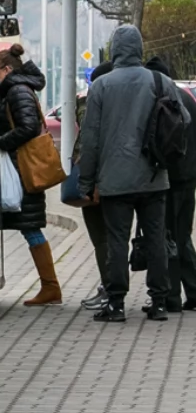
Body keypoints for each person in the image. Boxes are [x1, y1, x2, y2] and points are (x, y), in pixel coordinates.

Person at [79, 25, 191, 322]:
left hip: (115, 179)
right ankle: (160, 302)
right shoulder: (159, 80)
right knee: (155, 238)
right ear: (140, 49)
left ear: (115, 50)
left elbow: (90, 139)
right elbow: (185, 119)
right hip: (154, 176)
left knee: (117, 240)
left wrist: (86, 181)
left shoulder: (101, 86)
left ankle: (115, 303)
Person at [0, 43, 60, 306]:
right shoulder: (17, 88)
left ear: (7, 69)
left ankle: (51, 286)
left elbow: (28, 127)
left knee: (30, 228)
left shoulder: (17, 90)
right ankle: (50, 286)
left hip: (22, 168)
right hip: (20, 168)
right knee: (29, 228)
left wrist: (1, 142)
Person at [144, 56, 196, 311]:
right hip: (189, 178)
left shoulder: (163, 100)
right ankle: (194, 293)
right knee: (183, 235)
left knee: (169, 237)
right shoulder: (187, 98)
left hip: (170, 179)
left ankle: (172, 296)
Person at [77, 60, 115, 310]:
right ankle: (111, 288)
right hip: (117, 181)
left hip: (98, 183)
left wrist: (88, 183)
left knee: (102, 239)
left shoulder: (95, 104)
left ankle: (110, 288)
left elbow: (90, 145)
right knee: (111, 238)